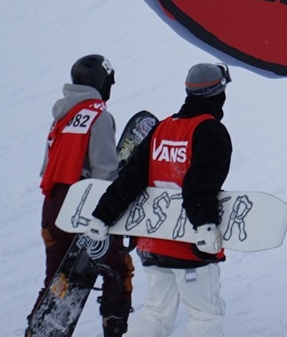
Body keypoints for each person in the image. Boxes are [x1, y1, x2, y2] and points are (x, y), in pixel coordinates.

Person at [87, 63, 233, 337]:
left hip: (153, 244)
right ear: (219, 92)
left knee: (156, 314)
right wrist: (205, 226)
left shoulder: (162, 128)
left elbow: (130, 180)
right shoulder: (211, 131)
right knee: (205, 316)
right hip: (189, 245)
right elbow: (199, 186)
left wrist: (102, 216)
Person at [32, 54, 133, 337]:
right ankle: (114, 329)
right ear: (101, 82)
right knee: (118, 269)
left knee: (57, 282)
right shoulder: (99, 116)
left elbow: (48, 168)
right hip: (82, 206)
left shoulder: (61, 116)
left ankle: (37, 330)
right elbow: (104, 173)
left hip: (53, 208)